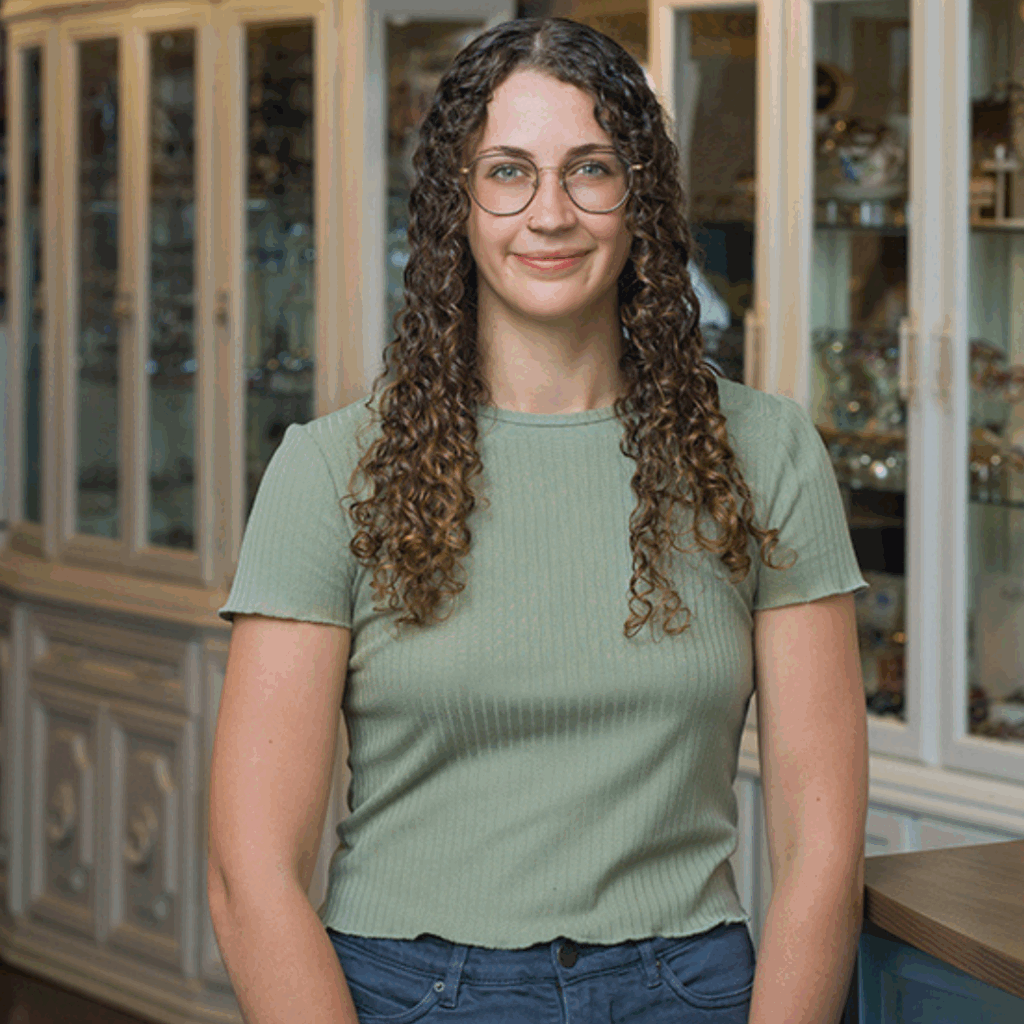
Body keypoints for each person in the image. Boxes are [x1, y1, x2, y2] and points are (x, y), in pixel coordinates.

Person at [207, 17, 869, 1024]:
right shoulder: (332, 468)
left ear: (637, 195)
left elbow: (821, 848)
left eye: (589, 169)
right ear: (457, 206)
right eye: (508, 172)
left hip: (687, 990)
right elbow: (249, 869)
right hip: (407, 992)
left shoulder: (765, 454)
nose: (549, 213)